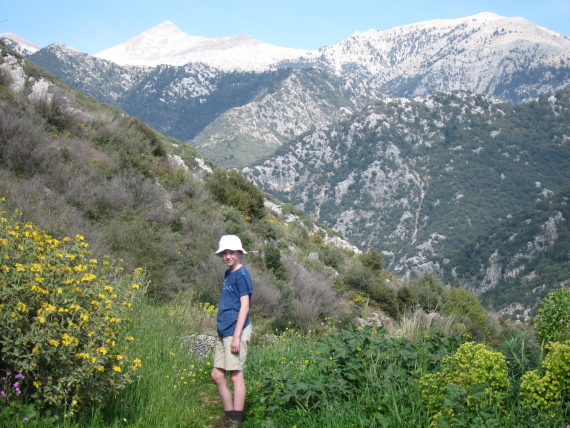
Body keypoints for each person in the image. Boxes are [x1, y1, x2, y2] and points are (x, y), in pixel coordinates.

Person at [210, 235, 253, 428]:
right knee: (217, 375)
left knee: (236, 375)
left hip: (236, 331)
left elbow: (244, 306)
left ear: (239, 253)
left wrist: (236, 336)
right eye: (224, 253)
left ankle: (235, 422)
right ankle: (229, 416)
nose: (228, 256)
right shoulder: (229, 273)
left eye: (231, 252)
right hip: (224, 330)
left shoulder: (242, 275)